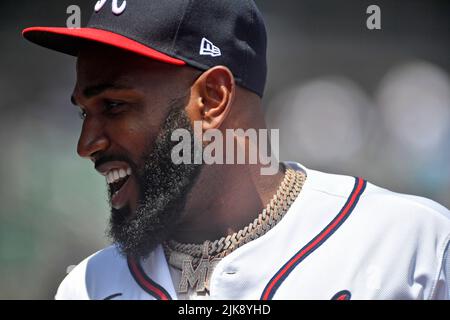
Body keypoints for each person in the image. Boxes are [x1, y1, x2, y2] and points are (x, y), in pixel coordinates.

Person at [23, 0, 449, 300]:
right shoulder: (87, 288)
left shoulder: (413, 247)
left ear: (211, 99)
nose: (86, 145)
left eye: (113, 106)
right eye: (84, 113)